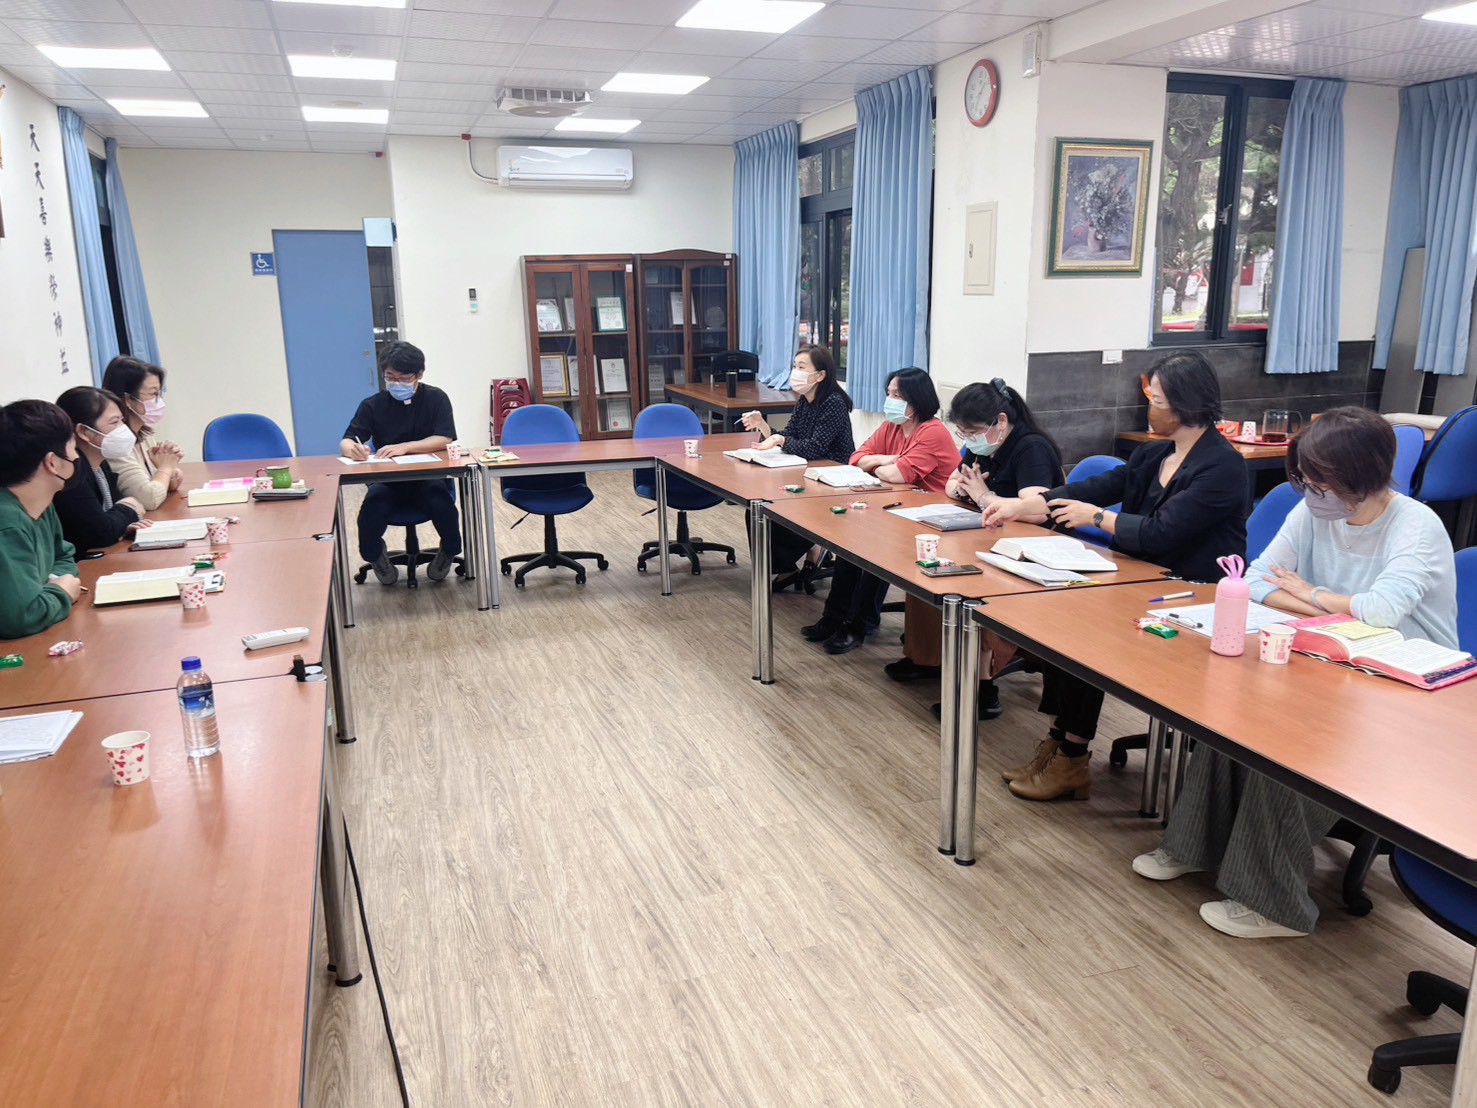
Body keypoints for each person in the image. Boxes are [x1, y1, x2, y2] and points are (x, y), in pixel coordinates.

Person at [1134, 407, 1458, 939]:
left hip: (1407, 682)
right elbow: (1256, 578)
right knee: (1230, 719)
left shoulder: (1415, 525)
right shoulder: (1313, 512)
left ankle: (1273, 904)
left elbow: (1382, 613)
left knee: (1292, 747)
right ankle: (1193, 847)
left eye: (1321, 481)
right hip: (1332, 656)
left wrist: (1310, 593)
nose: (1310, 491)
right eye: (1304, 479)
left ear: (1363, 475)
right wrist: (1328, 607)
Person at [982, 351, 1249, 801]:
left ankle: (1072, 754)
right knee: (1066, 621)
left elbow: (1162, 533)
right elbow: (1093, 487)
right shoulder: (1154, 453)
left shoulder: (1222, 467)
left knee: (1089, 634)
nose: (1149, 408)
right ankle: (1059, 741)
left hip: (1190, 595)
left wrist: (1097, 517)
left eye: (1157, 400)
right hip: (1141, 580)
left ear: (1186, 404)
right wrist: (1024, 505)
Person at [882, 378, 1065, 722]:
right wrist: (967, 492)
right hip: (986, 531)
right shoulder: (983, 444)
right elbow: (954, 481)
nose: (968, 440)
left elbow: (1039, 510)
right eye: (963, 433)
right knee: (926, 565)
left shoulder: (1031, 447)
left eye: (972, 432)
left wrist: (984, 496)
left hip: (1030, 545)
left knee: (971, 585)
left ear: (1001, 421)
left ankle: (983, 687)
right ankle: (927, 658)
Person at [801, 367, 958, 656]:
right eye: (889, 393)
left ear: (917, 400)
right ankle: (834, 617)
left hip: (934, 520)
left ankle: (857, 625)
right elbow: (856, 458)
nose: (890, 400)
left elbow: (897, 475)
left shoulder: (932, 432)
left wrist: (882, 464)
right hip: (901, 509)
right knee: (850, 544)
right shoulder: (892, 427)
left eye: (897, 395)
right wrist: (889, 459)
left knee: (877, 551)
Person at [341, 341, 461, 584]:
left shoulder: (436, 398)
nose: (397, 383)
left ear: (419, 375)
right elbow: (347, 440)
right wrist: (353, 450)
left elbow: (444, 437)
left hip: (428, 477)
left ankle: (448, 552)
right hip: (388, 482)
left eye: (404, 378)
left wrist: (406, 447)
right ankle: (376, 557)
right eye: (390, 377)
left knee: (442, 505)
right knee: (371, 511)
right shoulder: (373, 405)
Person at [741, 345, 855, 577]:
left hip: (831, 477)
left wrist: (780, 440)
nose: (796, 372)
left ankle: (811, 545)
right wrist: (763, 425)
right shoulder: (805, 400)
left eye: (802, 367)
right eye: (795, 366)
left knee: (774, 507)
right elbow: (788, 435)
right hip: (806, 471)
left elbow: (815, 448)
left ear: (820, 375)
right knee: (759, 507)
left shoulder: (833, 402)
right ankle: (784, 564)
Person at [0, 399, 83, 639]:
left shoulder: (41, 504)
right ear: (52, 462)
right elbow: (23, 617)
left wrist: (51, 587)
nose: (76, 457)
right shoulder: (7, 522)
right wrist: (61, 592)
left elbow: (63, 556)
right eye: (73, 449)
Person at [53, 386, 149, 552]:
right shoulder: (72, 472)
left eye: (122, 420)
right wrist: (127, 510)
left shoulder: (100, 462)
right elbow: (101, 532)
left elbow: (116, 515)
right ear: (83, 431)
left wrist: (122, 522)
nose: (123, 428)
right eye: (114, 422)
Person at [101, 354, 184, 510]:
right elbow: (149, 499)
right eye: (153, 394)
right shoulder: (117, 443)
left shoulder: (143, 434)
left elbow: (166, 484)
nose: (158, 401)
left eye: (159, 394)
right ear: (127, 399)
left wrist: (169, 466)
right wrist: (166, 468)